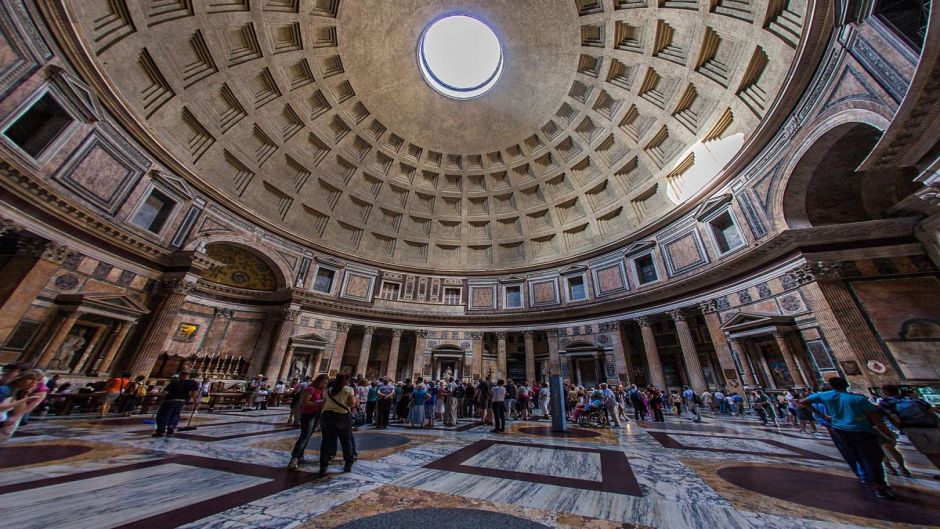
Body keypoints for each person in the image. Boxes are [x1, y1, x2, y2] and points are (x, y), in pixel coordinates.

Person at [800, 377, 897, 499]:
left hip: (841, 431)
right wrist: (889, 433)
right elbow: (877, 420)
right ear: (846, 384)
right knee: (872, 458)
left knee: (856, 455)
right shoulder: (858, 399)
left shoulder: (826, 396)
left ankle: (866, 477)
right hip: (862, 431)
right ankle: (880, 486)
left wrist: (823, 416)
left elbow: (803, 402)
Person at [878, 384, 939, 475]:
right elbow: (931, 412)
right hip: (931, 426)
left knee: (929, 452)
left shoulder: (886, 403)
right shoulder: (913, 399)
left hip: (911, 428)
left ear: (885, 392)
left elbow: (892, 417)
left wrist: (901, 429)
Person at [319, 374, 357, 476]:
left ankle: (323, 465)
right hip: (342, 416)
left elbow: (324, 403)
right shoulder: (348, 389)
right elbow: (351, 404)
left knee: (326, 442)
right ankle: (348, 464)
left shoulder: (329, 390)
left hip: (327, 416)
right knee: (346, 441)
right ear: (346, 381)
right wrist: (355, 399)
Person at [287, 374, 327, 470]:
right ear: (319, 381)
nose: (325, 385)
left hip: (317, 414)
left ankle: (300, 455)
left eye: (326, 383)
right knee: (304, 436)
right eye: (324, 383)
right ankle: (294, 458)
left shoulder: (322, 391)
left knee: (308, 435)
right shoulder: (311, 389)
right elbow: (304, 402)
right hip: (308, 414)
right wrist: (317, 403)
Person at [153, 371, 199, 438]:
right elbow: (194, 392)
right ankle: (171, 426)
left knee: (163, 415)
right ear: (188, 375)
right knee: (175, 414)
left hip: (170, 400)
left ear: (180, 375)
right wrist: (195, 400)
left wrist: (161, 399)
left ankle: (161, 430)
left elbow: (165, 391)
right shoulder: (192, 382)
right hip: (181, 401)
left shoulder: (175, 382)